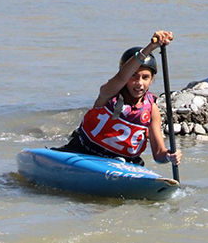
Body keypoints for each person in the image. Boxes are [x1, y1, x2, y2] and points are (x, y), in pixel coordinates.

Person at [56, 31, 181, 167]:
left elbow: (159, 155)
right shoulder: (109, 93)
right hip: (84, 153)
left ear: (151, 80)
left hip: (124, 164)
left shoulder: (151, 110)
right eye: (133, 76)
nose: (139, 83)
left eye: (145, 77)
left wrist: (169, 156)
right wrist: (151, 47)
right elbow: (121, 77)